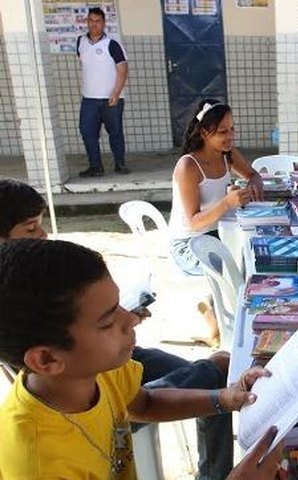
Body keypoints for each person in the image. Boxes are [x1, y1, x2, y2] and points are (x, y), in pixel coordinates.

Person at [0, 178, 237, 480]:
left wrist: (224, 400)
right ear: (46, 360)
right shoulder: (39, 464)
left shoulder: (100, 370)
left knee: (213, 371)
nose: (131, 320)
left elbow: (145, 403)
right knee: (213, 367)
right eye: (108, 320)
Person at [168, 99, 264, 277]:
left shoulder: (226, 153)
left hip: (219, 233)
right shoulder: (188, 166)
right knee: (241, 266)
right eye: (223, 132)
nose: (230, 136)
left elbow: (252, 175)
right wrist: (226, 203)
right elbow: (193, 222)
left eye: (232, 129)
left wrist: (255, 182)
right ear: (204, 132)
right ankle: (220, 302)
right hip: (189, 244)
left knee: (260, 253)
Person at [76, 7, 130, 177]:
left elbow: (123, 69)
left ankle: (120, 164)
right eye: (91, 20)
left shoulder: (112, 44)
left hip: (111, 98)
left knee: (115, 132)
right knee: (87, 131)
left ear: (104, 23)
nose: (94, 24)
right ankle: (95, 166)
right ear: (87, 22)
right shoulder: (80, 42)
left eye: (98, 21)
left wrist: (116, 92)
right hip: (89, 99)